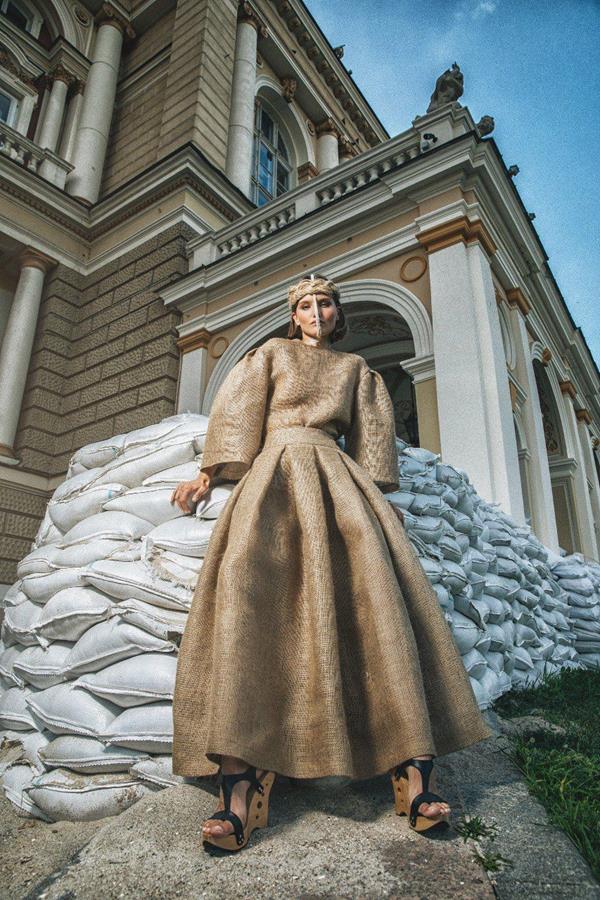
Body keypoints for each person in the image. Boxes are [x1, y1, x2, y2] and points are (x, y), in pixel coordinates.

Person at [170, 274, 493, 853]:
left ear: (336, 314)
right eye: (305, 305)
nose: (315, 312)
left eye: (324, 304)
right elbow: (240, 417)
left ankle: (412, 769)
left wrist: (375, 503)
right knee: (247, 587)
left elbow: (373, 450)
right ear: (293, 315)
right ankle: (240, 781)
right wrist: (207, 472)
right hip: (271, 474)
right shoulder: (269, 355)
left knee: (377, 603)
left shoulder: (356, 373)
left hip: (338, 479)